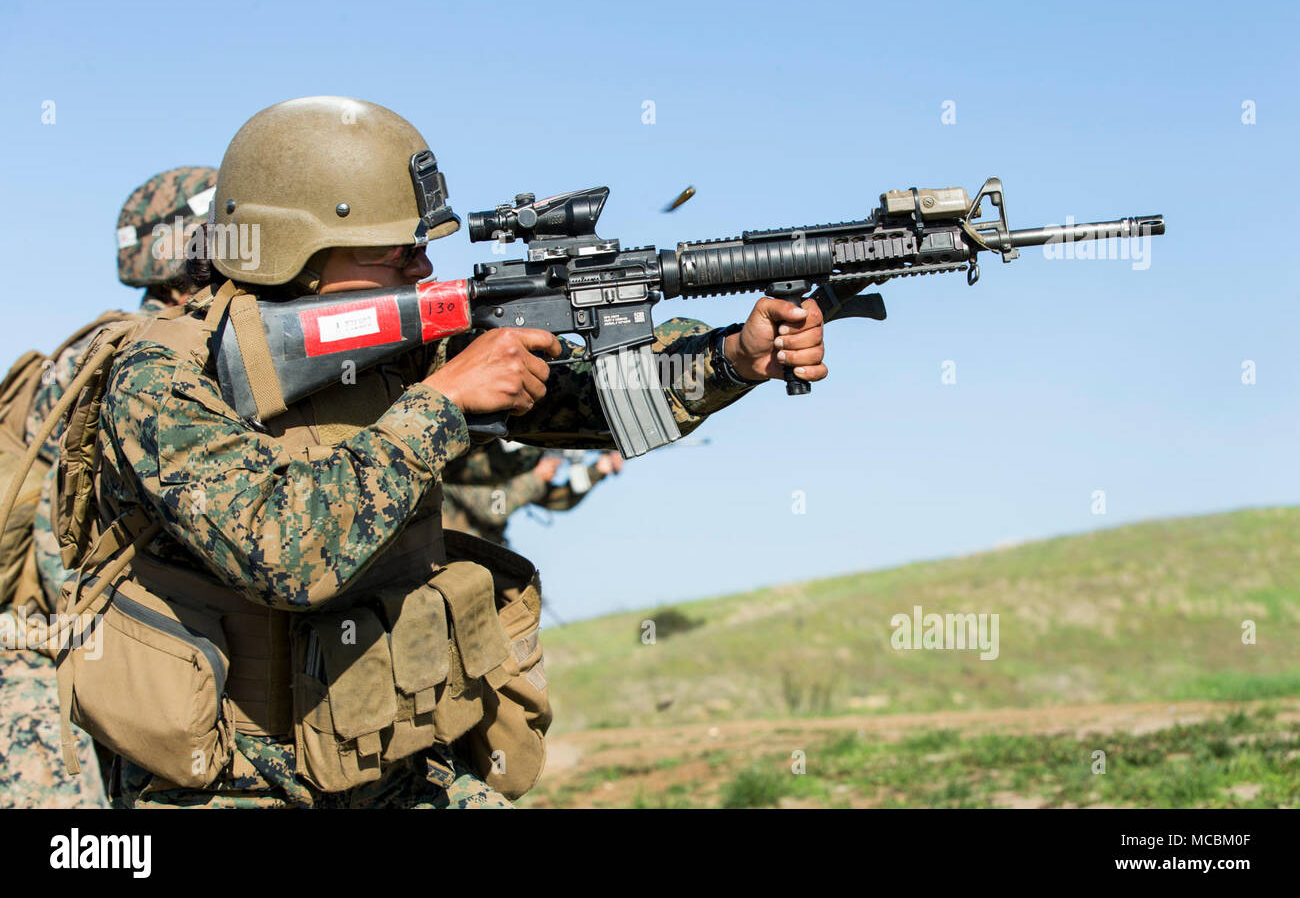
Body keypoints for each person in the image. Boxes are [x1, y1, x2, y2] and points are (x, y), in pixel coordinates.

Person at [65, 95, 825, 808]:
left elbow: (580, 399)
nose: (424, 271)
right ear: (305, 250)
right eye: (400, 252)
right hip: (231, 781)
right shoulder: (164, 376)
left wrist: (730, 358)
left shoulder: (401, 350)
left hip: (394, 757)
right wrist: (444, 403)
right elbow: (282, 549)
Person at [0, 166, 214, 808]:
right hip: (55, 659)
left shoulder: (110, 345)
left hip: (96, 652)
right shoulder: (133, 352)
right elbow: (58, 539)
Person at [441, 442, 623, 547]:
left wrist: (597, 470)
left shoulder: (513, 471)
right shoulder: (463, 466)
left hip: (475, 557)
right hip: (450, 561)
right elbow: (495, 509)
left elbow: (558, 502)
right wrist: (536, 478)